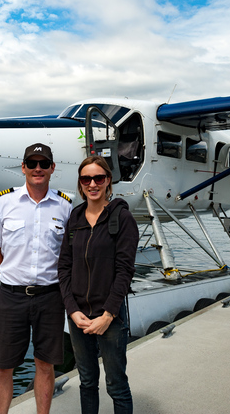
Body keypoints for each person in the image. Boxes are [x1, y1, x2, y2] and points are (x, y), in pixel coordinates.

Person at [0, 143, 73, 414]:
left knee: (45, 364)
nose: (38, 169)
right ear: (23, 168)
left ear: (52, 168)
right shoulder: (3, 201)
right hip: (11, 296)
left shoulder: (65, 205)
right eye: (32, 163)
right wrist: (9, 279)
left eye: (44, 164)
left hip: (50, 297)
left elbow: (69, 253)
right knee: (1, 367)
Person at [58, 156, 139, 414]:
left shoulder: (122, 218)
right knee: (87, 381)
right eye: (86, 179)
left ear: (108, 181)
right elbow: (64, 268)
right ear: (80, 185)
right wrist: (72, 310)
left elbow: (125, 271)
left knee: (116, 384)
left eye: (98, 178)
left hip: (109, 316)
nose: (92, 184)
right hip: (79, 315)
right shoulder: (75, 218)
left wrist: (108, 315)